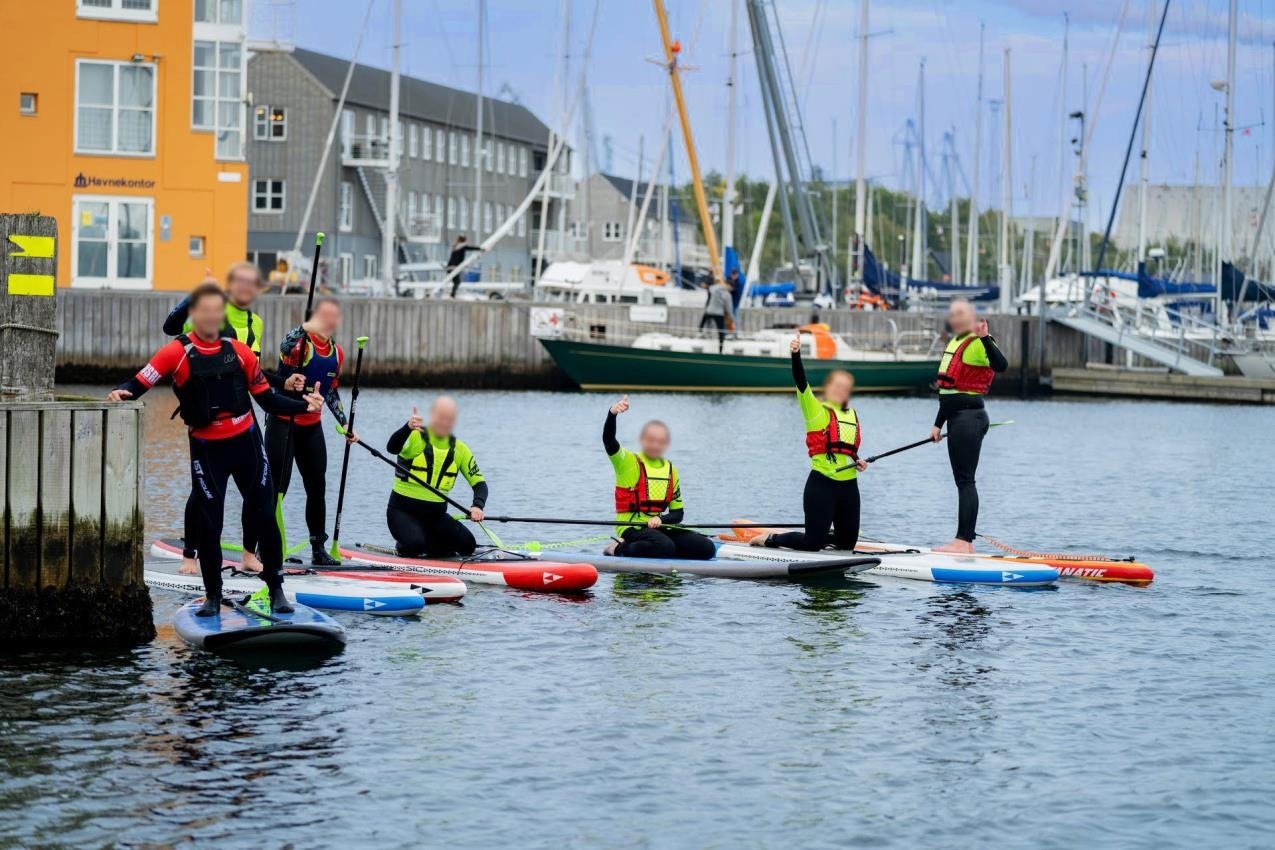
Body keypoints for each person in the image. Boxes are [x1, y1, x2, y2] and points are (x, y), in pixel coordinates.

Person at [108, 282, 323, 615]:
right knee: (210, 523)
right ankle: (212, 596)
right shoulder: (174, 353)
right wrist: (122, 393)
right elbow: (138, 383)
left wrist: (303, 406)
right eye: (203, 312)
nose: (210, 318)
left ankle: (276, 588)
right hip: (208, 450)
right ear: (193, 316)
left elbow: (266, 398)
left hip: (247, 444)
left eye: (215, 312)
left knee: (264, 515)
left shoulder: (240, 351)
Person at [162, 262, 304, 576]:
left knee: (256, 490)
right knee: (203, 490)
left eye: (251, 284)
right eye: (239, 283)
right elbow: (171, 328)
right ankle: (189, 555)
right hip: (207, 414)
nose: (245, 289)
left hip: (244, 413)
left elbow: (252, 370)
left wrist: (284, 383)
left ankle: (249, 554)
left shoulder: (256, 322)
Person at [242, 297, 352, 566]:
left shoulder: (337, 354)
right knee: (275, 488)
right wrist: (304, 327)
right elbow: (284, 345)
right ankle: (259, 549)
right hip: (283, 422)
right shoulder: (299, 345)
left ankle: (318, 548)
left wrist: (345, 423)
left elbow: (331, 392)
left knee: (317, 486)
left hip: (311, 427)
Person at [753, 333, 869, 552]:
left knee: (847, 545)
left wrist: (858, 461)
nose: (840, 390)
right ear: (828, 387)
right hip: (822, 484)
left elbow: (846, 449)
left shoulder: (852, 414)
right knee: (812, 544)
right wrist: (795, 355)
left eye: (845, 387)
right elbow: (800, 380)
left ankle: (826, 532)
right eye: (836, 385)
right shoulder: (815, 409)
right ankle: (771, 539)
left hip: (849, 487)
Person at [930, 299, 1009, 554]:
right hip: (955, 418)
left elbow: (1001, 366)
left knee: (966, 481)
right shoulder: (955, 342)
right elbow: (949, 388)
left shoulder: (977, 341)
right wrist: (937, 424)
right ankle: (962, 541)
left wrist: (986, 338)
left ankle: (963, 543)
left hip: (969, 418)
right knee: (960, 481)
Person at [602, 395, 716, 560]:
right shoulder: (627, 462)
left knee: (706, 548)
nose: (656, 445)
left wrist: (660, 519)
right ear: (643, 441)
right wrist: (612, 414)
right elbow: (609, 440)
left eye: (660, 441)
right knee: (664, 546)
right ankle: (617, 547)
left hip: (657, 527)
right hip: (631, 527)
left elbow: (677, 514)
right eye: (651, 440)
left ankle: (662, 550)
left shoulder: (671, 470)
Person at [385, 398, 487, 557]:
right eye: (441, 418)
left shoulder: (460, 449)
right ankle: (406, 545)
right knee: (416, 544)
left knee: (468, 546)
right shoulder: (415, 436)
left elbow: (479, 484)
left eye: (449, 419)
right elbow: (392, 447)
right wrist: (407, 427)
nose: (444, 423)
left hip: (435, 517)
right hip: (402, 512)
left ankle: (432, 544)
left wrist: (477, 506)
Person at [698, 276, 734, 352]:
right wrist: (731, 319)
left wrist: (721, 285)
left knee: (705, 317)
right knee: (721, 331)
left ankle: (700, 331)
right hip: (719, 314)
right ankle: (720, 349)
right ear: (730, 286)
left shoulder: (715, 288)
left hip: (710, 311)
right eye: (731, 287)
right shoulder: (728, 295)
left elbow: (711, 288)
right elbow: (729, 308)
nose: (731, 289)